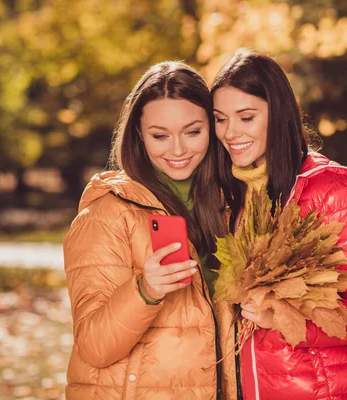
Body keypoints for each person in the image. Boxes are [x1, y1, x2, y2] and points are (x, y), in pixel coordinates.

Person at [211, 49, 347, 400]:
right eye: (220, 119)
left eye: (246, 117)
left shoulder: (329, 194)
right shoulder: (236, 197)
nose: (230, 132)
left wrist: (285, 318)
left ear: (278, 114)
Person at [63, 61, 226, 399]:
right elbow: (93, 347)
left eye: (193, 132)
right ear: (138, 133)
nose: (178, 149)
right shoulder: (106, 214)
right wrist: (145, 291)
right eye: (160, 136)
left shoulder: (230, 206)